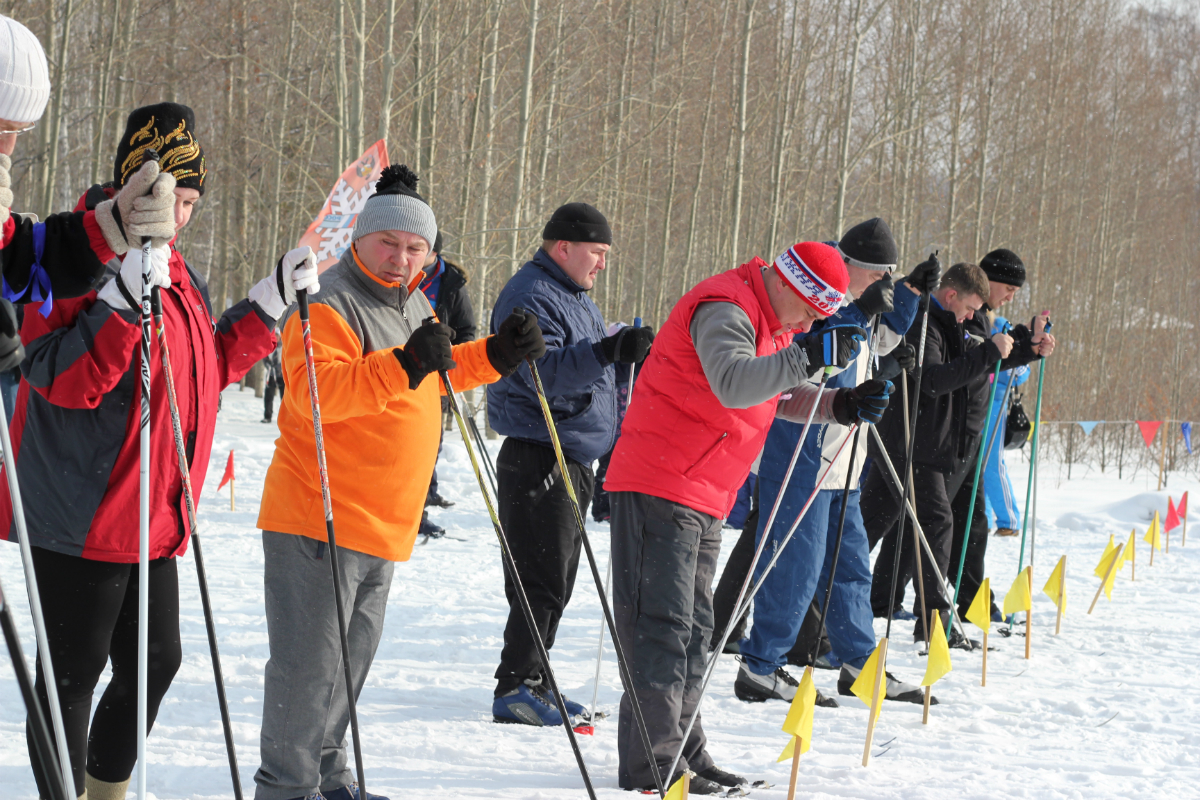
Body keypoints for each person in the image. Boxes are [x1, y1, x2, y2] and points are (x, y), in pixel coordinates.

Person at [1, 102, 288, 800]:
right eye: (170, 198)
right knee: (72, 674)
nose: (180, 216)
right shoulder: (71, 255)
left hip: (156, 512)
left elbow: (202, 372)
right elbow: (56, 379)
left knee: (156, 662)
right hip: (83, 508)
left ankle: (107, 789)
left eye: (190, 202)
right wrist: (119, 309)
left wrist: (266, 309)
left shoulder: (176, 268)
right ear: (133, 185)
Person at [254, 164, 545, 800]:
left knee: (346, 669)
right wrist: (406, 361)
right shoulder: (328, 301)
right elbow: (316, 395)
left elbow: (429, 374)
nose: (401, 257)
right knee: (308, 672)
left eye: (416, 249)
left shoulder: (411, 299)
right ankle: (286, 789)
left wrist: (494, 354)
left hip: (382, 521)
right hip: (318, 514)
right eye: (389, 243)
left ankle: (329, 779)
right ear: (359, 239)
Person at [603, 241, 887, 794]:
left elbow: (772, 394)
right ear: (787, 284)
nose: (809, 323)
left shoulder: (770, 320)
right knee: (663, 629)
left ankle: (686, 750)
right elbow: (734, 382)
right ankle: (654, 766)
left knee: (694, 633)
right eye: (809, 310)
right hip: (663, 481)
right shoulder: (726, 307)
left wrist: (839, 405)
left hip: (703, 489)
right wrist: (807, 355)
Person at [733, 218, 940, 707]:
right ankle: (761, 665)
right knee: (795, 565)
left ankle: (859, 664)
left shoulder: (860, 300)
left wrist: (908, 296)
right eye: (876, 277)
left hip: (844, 456)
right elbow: (818, 351)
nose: (881, 287)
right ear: (850, 267)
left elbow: (871, 346)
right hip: (802, 450)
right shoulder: (819, 294)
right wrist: (857, 310)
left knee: (850, 567)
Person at [486, 202, 652, 726]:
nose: (602, 264)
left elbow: (583, 360)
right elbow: (540, 372)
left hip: (570, 452)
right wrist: (608, 352)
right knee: (540, 574)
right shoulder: (532, 294)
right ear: (564, 248)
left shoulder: (571, 295)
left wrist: (618, 347)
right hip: (540, 452)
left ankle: (534, 675)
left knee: (557, 575)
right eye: (596, 253)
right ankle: (516, 684)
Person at [862, 260, 1052, 639]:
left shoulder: (952, 323)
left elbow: (980, 356)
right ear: (951, 296)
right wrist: (989, 353)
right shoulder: (923, 322)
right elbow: (934, 380)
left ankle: (823, 600)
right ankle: (933, 623)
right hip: (908, 442)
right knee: (936, 522)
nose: (971, 319)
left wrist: (1027, 345)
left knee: (865, 526)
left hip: (925, 444)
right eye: (969, 310)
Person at [946, 249, 1054, 622]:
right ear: (986, 279)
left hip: (970, 433)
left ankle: (973, 604)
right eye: (1007, 287)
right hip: (950, 436)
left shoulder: (991, 318)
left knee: (969, 524)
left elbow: (1005, 367)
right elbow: (974, 367)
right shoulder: (967, 316)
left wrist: (1031, 348)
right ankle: (891, 601)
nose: (1010, 296)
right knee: (912, 524)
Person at [416, 231, 475, 536]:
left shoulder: (451, 283)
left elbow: (467, 330)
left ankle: (420, 509)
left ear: (435, 253)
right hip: (398, 369)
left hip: (436, 376)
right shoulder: (397, 275)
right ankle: (412, 509)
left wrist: (454, 359)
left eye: (420, 249)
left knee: (428, 444)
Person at [985, 355, 1029, 537]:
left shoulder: (1002, 328)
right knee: (974, 463)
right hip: (968, 401)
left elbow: (1023, 372)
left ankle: (1009, 521)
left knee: (992, 463)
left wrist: (1012, 361)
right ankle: (982, 517)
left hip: (995, 402)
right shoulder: (969, 327)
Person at [262, 335, 284, 423]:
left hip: (282, 375)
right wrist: (269, 366)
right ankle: (267, 416)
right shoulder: (269, 346)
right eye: (275, 336)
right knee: (268, 396)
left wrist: (279, 367)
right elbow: (265, 358)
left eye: (277, 336)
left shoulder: (284, 346)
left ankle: (286, 418)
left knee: (285, 398)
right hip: (271, 374)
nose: (276, 337)